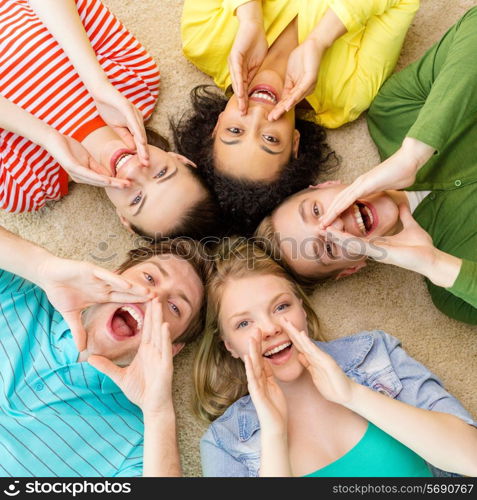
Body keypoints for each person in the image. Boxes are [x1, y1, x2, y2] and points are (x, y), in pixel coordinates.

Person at [256, 7, 477, 324]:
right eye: (329, 248)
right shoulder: (450, 285)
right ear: (352, 268)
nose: (335, 227)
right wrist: (434, 264)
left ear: (325, 186)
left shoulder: (393, 113)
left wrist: (414, 153)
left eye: (317, 211)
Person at [194, 240, 477, 477]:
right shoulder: (224, 442)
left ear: (302, 309)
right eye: (244, 323)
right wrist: (274, 434)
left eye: (281, 306)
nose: (270, 329)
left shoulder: (375, 353)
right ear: (229, 345)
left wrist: (352, 394)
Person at [173, 0, 419, 233]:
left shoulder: (202, 41)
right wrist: (320, 40)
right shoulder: (348, 95)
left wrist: (250, 19)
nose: (259, 114)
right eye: (270, 139)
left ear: (216, 126)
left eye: (235, 131)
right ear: (295, 142)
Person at [0, 225, 210, 476]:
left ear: (172, 348)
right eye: (149, 278)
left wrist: (158, 413)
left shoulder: (135, 444)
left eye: (175, 307)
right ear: (116, 274)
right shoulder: (20, 293)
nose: (153, 297)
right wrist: (42, 268)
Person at [0, 0, 219, 240]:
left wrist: (46, 137)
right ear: (180, 159)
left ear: (124, 219)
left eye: (136, 199)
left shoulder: (27, 188)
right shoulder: (138, 83)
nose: (134, 170)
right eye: (160, 173)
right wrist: (97, 83)